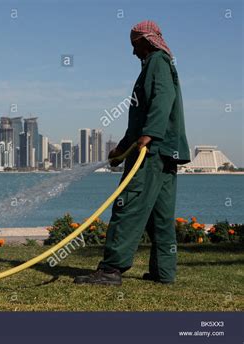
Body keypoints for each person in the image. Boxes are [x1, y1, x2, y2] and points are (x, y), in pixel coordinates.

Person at [74, 20, 190, 286]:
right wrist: (122, 149)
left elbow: (163, 98)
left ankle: (111, 270)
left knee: (128, 205)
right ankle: (164, 272)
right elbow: (141, 118)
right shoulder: (160, 64)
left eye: (134, 45)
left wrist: (149, 135)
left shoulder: (157, 62)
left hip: (152, 151)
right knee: (159, 215)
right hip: (164, 152)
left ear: (146, 41)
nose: (133, 52)